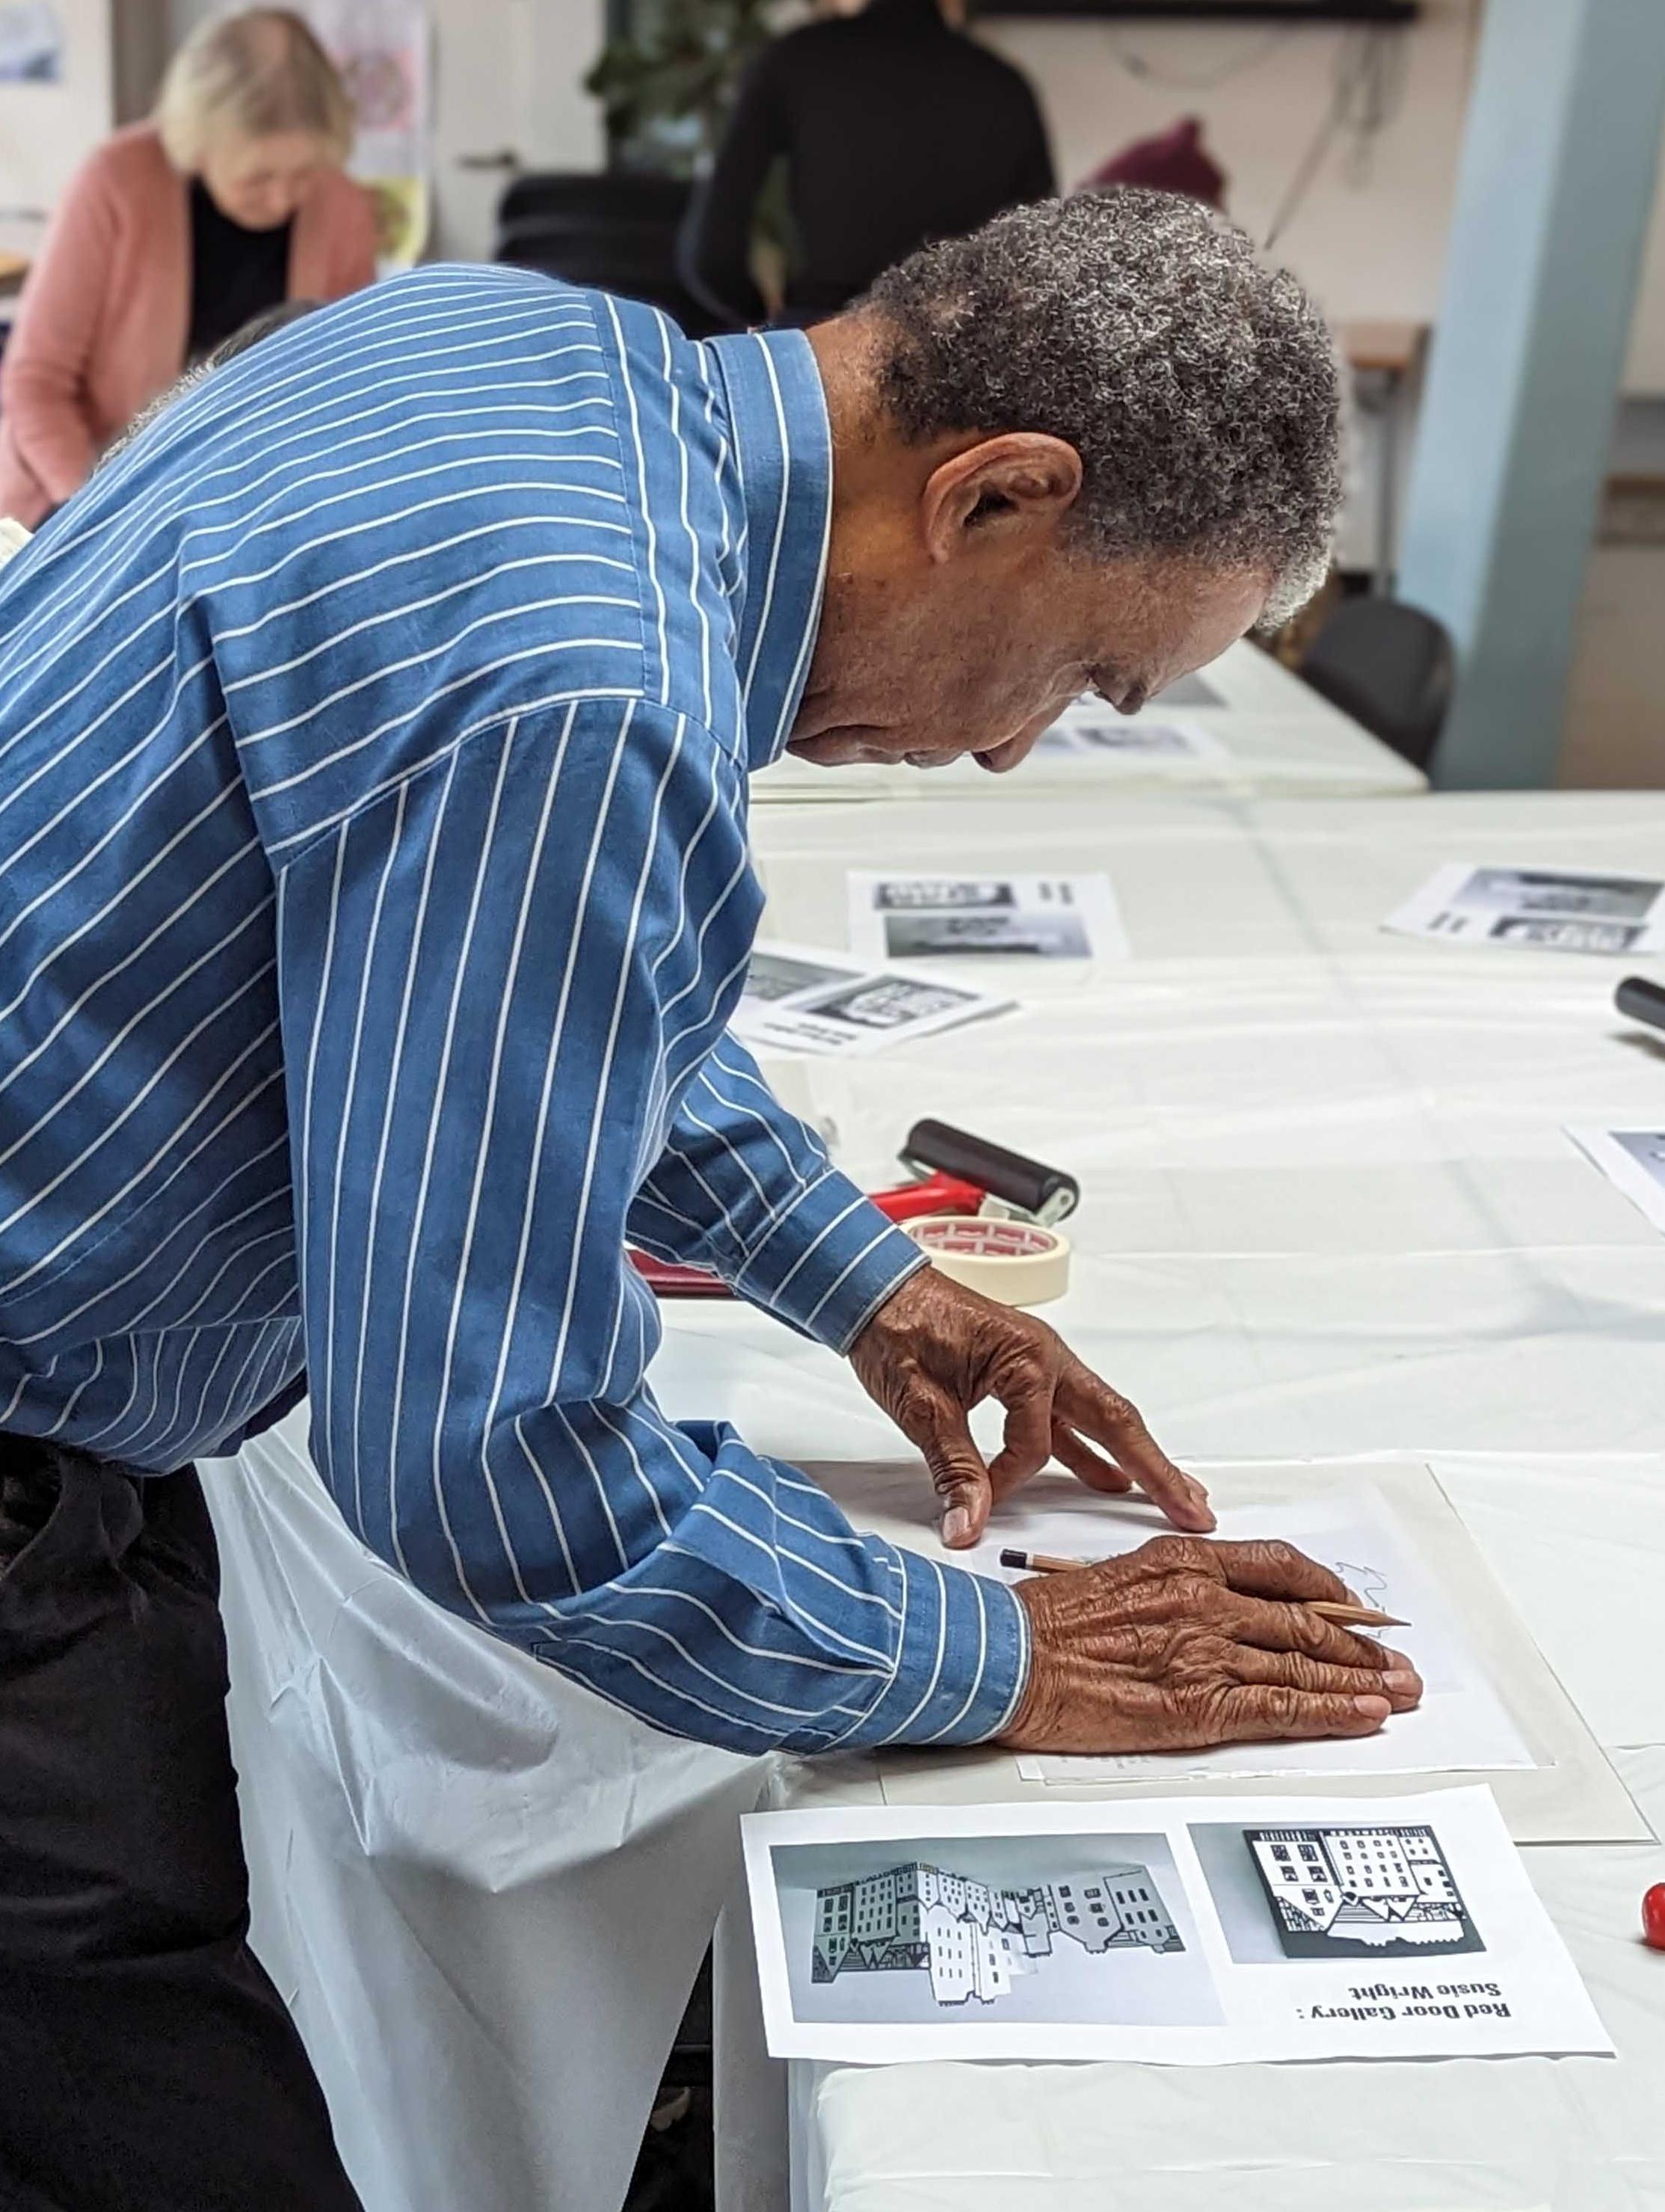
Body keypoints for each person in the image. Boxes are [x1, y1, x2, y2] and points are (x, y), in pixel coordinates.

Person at [0, 188, 1421, 2205]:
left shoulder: (495, 350)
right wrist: (1004, 1656)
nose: (1013, 749)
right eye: (1084, 674)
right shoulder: (597, 691)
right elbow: (489, 1462)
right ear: (997, 494)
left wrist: (864, 1283)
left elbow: (499, 978)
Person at [0, 8, 375, 528]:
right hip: (82, 495)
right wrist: (92, 511)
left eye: (304, 173)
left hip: (244, 503)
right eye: (259, 176)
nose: (283, 199)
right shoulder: (114, 183)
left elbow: (342, 385)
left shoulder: (342, 207)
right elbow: (36, 382)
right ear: (201, 143)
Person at [680, 0, 1055, 329]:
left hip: (823, 346)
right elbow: (1042, 266)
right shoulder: (1007, 86)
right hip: (954, 360)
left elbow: (712, 258)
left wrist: (766, 320)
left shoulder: (794, 59)